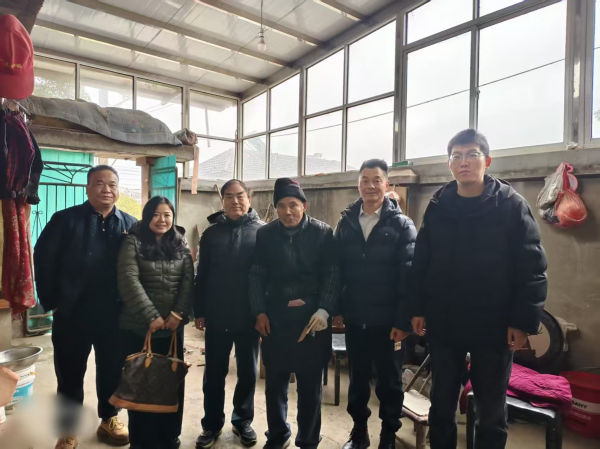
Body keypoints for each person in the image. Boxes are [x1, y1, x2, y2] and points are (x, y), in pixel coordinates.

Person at [410, 129, 548, 449]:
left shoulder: (511, 206)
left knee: (491, 408)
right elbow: (422, 261)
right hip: (445, 321)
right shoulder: (439, 205)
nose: (464, 162)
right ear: (449, 164)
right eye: (457, 156)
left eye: (472, 154)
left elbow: (532, 267)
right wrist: (417, 308)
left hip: (494, 324)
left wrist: (521, 322)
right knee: (441, 402)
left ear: (487, 161)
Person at [34, 165, 136, 449]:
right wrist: (52, 302)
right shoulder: (65, 220)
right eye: (100, 183)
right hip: (72, 312)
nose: (107, 189)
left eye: (112, 184)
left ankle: (109, 419)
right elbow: (43, 258)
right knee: (69, 372)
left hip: (114, 314)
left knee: (113, 370)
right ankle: (68, 429)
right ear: (88, 188)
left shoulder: (130, 224)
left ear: (118, 189)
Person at [249, 178, 340, 449]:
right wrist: (259, 312)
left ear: (304, 206)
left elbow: (333, 274)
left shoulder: (322, 233)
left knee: (310, 386)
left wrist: (324, 309)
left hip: (311, 321)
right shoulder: (265, 235)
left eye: (293, 205)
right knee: (275, 383)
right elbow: (256, 275)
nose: (287, 212)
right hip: (276, 319)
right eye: (281, 206)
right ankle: (278, 435)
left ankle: (308, 439)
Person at [333, 159, 417, 449]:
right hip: (356, 318)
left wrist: (403, 321)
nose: (370, 186)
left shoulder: (402, 225)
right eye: (365, 180)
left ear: (386, 184)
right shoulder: (346, 223)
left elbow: (409, 276)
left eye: (376, 180)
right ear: (358, 185)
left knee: (390, 383)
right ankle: (359, 432)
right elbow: (336, 270)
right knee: (357, 380)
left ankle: (388, 435)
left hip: (389, 323)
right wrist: (337, 310)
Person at [117, 196, 194, 449]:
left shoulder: (180, 242)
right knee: (141, 383)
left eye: (167, 215)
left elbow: (188, 280)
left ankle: (169, 436)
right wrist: (151, 315)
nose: (162, 220)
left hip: (172, 328)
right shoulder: (133, 241)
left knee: (171, 381)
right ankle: (142, 440)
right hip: (139, 327)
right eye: (156, 214)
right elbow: (128, 279)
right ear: (147, 216)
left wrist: (177, 314)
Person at [194, 180, 264, 449]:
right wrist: (199, 311)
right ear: (221, 200)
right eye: (229, 197)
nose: (235, 201)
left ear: (249, 199)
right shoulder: (211, 234)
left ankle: (242, 420)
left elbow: (268, 278)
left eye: (240, 196)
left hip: (249, 316)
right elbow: (202, 274)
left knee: (248, 372)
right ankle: (211, 424)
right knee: (214, 373)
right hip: (217, 314)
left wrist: (263, 313)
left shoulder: (262, 232)